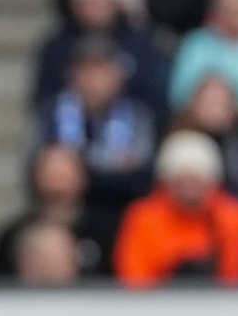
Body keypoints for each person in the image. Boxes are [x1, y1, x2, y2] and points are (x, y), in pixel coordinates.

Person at [36, 34, 157, 221]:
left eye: (102, 71)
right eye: (87, 71)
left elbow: (140, 173)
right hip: (63, 208)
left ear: (118, 76)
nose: (95, 81)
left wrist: (84, 172)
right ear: (73, 75)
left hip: (119, 208)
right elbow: (39, 167)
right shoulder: (51, 112)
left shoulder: (138, 116)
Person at [113, 127, 238, 283]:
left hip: (222, 297)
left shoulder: (235, 217)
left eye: (198, 177)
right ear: (167, 180)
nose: (190, 186)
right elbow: (133, 276)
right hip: (158, 296)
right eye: (181, 178)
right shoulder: (143, 217)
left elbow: (237, 275)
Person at [0, 143, 120, 280]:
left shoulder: (106, 230)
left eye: (64, 176)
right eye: (50, 176)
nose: (57, 186)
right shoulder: (11, 235)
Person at [33, 0, 171, 116]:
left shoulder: (143, 44)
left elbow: (157, 102)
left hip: (131, 127)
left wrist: (114, 88)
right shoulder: (56, 48)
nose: (93, 2)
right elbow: (42, 101)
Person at [170, 73, 238, 199]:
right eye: (210, 103)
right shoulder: (180, 140)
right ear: (195, 104)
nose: (216, 111)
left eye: (222, 104)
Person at [169, 0, 238, 113]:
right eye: (231, 12)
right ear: (217, 12)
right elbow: (179, 96)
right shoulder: (197, 44)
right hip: (206, 119)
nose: (237, 18)